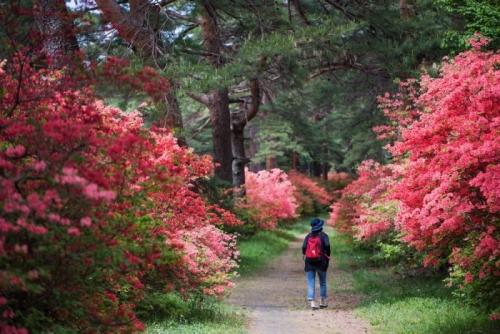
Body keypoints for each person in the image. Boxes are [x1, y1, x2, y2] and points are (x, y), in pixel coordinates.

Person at [302, 218, 330, 310]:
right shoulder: (324, 236)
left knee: (311, 283)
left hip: (309, 262)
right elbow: (327, 246)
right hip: (321, 261)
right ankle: (322, 302)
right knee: (322, 282)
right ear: (320, 226)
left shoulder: (308, 236)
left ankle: (313, 304)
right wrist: (327, 256)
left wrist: (307, 254)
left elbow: (304, 247)